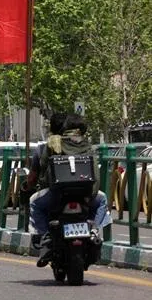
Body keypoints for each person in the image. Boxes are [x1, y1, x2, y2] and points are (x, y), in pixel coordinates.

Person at [25, 113, 110, 266]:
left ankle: (45, 236)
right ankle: (94, 230)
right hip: (85, 194)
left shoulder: (51, 144)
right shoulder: (86, 144)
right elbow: (95, 174)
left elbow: (43, 167)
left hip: (57, 194)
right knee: (103, 199)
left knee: (34, 202)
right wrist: (91, 194)